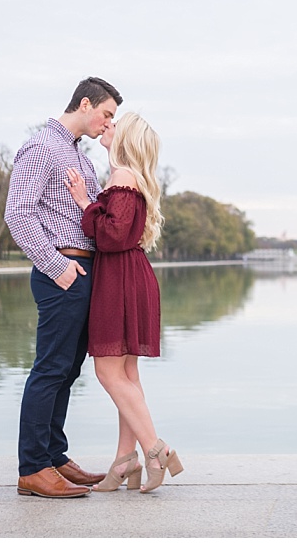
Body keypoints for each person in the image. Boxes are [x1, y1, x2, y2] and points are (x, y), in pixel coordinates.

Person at [5, 77, 122, 499]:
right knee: (50, 368)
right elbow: (17, 214)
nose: (108, 122)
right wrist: (59, 268)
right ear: (85, 103)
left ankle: (54, 457)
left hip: (84, 271)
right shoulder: (41, 148)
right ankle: (33, 468)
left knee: (68, 370)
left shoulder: (77, 155)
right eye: (106, 114)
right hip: (62, 271)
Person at [65, 112, 184, 492]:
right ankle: (124, 462)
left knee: (108, 373)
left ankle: (155, 450)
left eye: (114, 125)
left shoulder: (121, 177)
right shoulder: (134, 179)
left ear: (125, 138)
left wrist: (85, 202)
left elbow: (111, 235)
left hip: (118, 278)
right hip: (133, 275)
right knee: (127, 376)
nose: (107, 127)